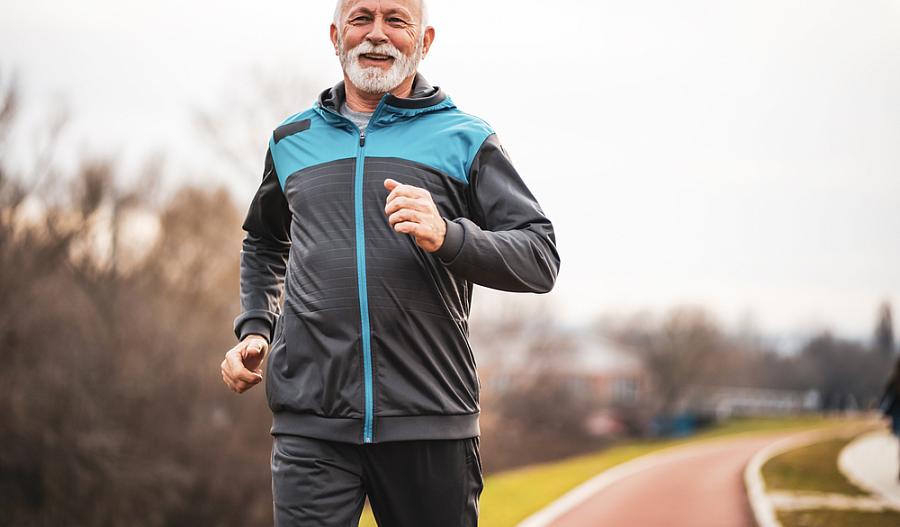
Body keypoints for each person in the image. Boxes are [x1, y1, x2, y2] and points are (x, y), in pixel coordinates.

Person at [220, 0, 561, 524]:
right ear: (337, 36)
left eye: (396, 20)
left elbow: (539, 255)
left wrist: (448, 236)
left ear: (423, 41)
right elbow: (264, 243)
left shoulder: (466, 139)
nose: (376, 35)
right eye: (362, 19)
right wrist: (256, 327)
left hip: (430, 421)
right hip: (311, 425)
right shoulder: (291, 140)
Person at [878, 357, 900, 480]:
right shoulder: (894, 380)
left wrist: (884, 412)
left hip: (897, 414)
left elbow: (887, 396)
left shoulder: (894, 380)